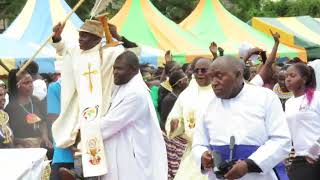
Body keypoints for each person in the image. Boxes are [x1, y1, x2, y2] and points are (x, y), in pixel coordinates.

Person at [193, 56, 291, 180]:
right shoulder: (206, 103)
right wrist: (203, 156)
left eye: (219, 76)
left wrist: (248, 165)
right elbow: (199, 143)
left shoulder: (265, 97)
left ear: (238, 75)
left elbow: (281, 140)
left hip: (259, 175)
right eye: (212, 77)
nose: (214, 82)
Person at [51, 19, 124, 178]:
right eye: (80, 35)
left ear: (97, 38)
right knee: (77, 140)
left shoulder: (108, 53)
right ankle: (79, 174)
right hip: (78, 106)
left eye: (84, 36)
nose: (80, 39)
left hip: (99, 107)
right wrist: (57, 36)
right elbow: (62, 47)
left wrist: (116, 35)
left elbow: (129, 54)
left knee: (94, 143)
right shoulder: (77, 51)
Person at [100, 51, 167, 180]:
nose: (114, 72)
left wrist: (84, 130)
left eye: (119, 69)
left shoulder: (136, 93)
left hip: (132, 162)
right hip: (121, 155)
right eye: (114, 68)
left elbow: (111, 123)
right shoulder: (124, 87)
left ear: (133, 70)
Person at [165, 58, 213, 180]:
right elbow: (175, 117)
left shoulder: (220, 90)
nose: (200, 73)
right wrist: (174, 124)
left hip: (216, 151)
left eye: (204, 70)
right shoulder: (187, 94)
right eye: (197, 71)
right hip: (194, 152)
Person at [284, 63, 320, 180]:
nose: (288, 79)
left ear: (304, 79)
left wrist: (316, 148)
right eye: (286, 76)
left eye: (292, 76)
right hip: (301, 158)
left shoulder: (317, 97)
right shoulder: (289, 103)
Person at [5, 69, 52, 148]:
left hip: (39, 147)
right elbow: (8, 134)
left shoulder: (36, 101)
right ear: (17, 86)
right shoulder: (10, 108)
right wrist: (20, 141)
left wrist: (45, 137)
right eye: (26, 83)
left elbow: (43, 122)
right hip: (22, 149)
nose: (31, 85)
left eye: (31, 82)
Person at [47, 79, 75, 180]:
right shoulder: (56, 87)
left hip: (66, 152)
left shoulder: (55, 87)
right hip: (65, 153)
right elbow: (54, 120)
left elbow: (54, 120)